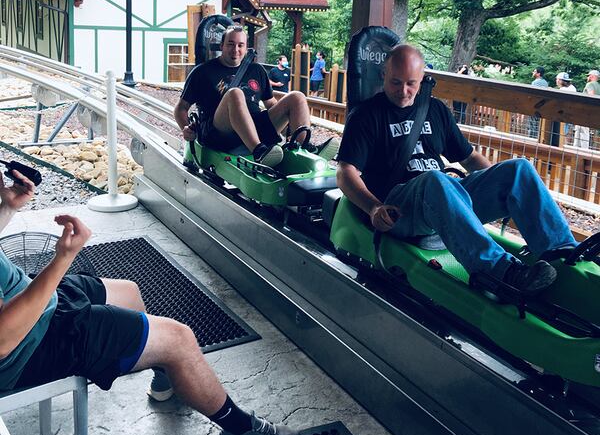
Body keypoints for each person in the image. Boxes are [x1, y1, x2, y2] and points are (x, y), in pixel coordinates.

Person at [0, 169, 300, 435]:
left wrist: (7, 208)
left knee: (128, 292)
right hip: (26, 348)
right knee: (178, 338)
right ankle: (240, 431)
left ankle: (164, 366)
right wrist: (63, 259)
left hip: (32, 305)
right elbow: (3, 339)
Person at [336, 44, 581, 296]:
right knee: (435, 180)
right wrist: (374, 207)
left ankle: (561, 253)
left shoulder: (434, 110)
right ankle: (499, 271)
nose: (404, 91)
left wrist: (502, 188)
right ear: (383, 76)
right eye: (396, 82)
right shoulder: (366, 115)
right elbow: (346, 172)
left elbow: (470, 157)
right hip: (400, 208)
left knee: (519, 169)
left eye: (411, 83)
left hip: (444, 197)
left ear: (423, 79)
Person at [174, 25, 337, 167]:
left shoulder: (256, 70)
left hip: (255, 126)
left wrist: (290, 122)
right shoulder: (202, 72)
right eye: (230, 44)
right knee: (235, 94)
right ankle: (259, 151)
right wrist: (186, 129)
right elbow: (181, 109)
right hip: (220, 132)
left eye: (240, 45)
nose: (235, 49)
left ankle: (300, 150)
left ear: (246, 48)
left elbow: (271, 103)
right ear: (222, 45)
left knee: (297, 97)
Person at [527, 67, 548, 138]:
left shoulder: (535, 82)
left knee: (531, 125)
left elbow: (531, 95)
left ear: (538, 74)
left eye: (534, 71)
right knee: (538, 125)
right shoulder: (545, 83)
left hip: (534, 106)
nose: (533, 72)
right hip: (542, 107)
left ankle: (531, 139)